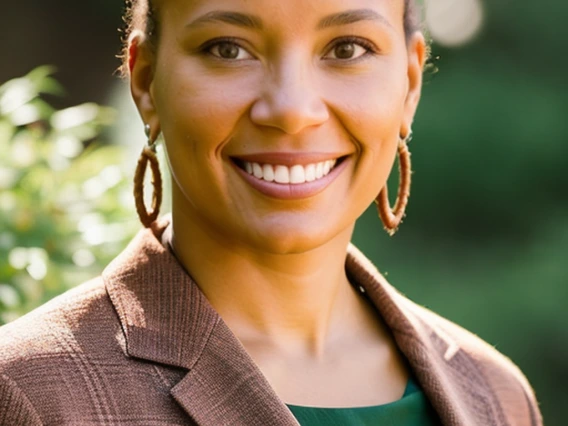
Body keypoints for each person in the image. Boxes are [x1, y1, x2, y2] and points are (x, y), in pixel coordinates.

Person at [0, 0, 542, 425]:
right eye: (227, 49)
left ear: (409, 83)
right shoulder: (32, 394)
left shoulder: (494, 394)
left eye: (348, 48)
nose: (291, 110)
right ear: (145, 82)